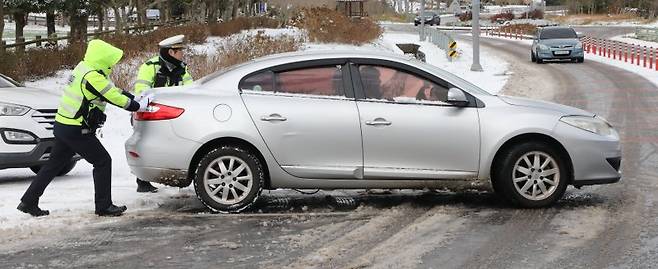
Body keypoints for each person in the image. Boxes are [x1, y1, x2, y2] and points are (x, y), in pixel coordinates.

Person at [18, 39, 152, 217]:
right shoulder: (93, 77)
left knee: (53, 165)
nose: (113, 64)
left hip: (63, 125)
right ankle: (104, 206)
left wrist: (134, 97)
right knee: (103, 161)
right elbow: (114, 97)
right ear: (103, 59)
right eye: (111, 61)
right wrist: (138, 106)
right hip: (76, 129)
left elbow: (113, 90)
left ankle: (28, 201)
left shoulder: (84, 68)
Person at [133, 34, 193, 193]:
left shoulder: (182, 68)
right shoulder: (150, 66)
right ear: (171, 52)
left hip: (173, 114)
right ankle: (142, 181)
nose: (183, 54)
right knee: (147, 145)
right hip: (151, 114)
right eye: (179, 51)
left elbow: (191, 89)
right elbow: (140, 92)